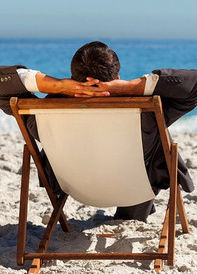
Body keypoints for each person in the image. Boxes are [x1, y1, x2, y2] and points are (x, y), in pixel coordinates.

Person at [0, 42, 196, 221]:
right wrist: (130, 87)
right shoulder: (147, 114)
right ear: (116, 79)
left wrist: (57, 85)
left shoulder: (40, 116)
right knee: (158, 144)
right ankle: (132, 214)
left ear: (71, 78)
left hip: (73, 186)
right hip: (135, 187)